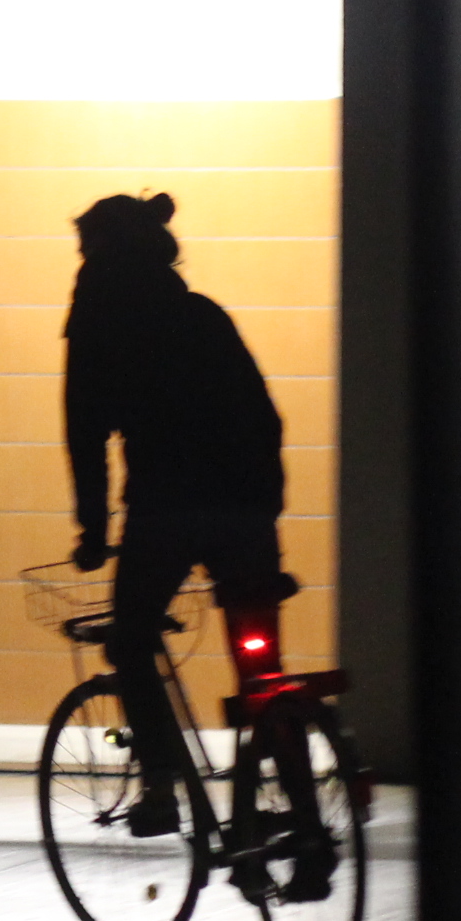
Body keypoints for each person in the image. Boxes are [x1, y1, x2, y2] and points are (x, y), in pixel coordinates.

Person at [62, 191, 295, 834]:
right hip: (244, 506)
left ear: (101, 254)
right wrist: (265, 506)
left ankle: (161, 787)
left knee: (131, 639)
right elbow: (264, 414)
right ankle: (299, 808)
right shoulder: (202, 314)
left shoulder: (100, 322)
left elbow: (85, 431)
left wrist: (93, 530)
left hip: (165, 507)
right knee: (261, 662)